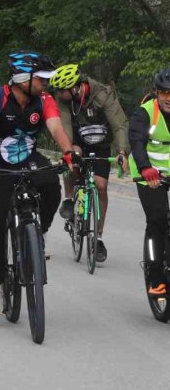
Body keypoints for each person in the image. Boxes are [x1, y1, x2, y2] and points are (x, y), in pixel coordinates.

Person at [0, 52, 75, 315]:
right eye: (42, 79)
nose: (46, 84)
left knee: (51, 183)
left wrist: (69, 152)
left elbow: (57, 128)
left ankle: (40, 232)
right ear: (23, 78)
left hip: (28, 159)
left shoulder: (44, 100)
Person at [50, 63, 130, 263]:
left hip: (101, 142)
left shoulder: (102, 94)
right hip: (78, 138)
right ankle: (69, 199)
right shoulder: (63, 100)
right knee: (71, 160)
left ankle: (98, 238)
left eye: (62, 90)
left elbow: (119, 124)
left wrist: (122, 151)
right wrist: (68, 151)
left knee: (101, 185)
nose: (58, 94)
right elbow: (64, 125)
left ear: (75, 87)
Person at [129, 68, 170, 296]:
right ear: (157, 92)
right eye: (164, 93)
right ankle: (155, 276)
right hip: (149, 174)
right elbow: (136, 141)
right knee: (157, 220)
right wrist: (145, 168)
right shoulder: (145, 113)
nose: (169, 98)